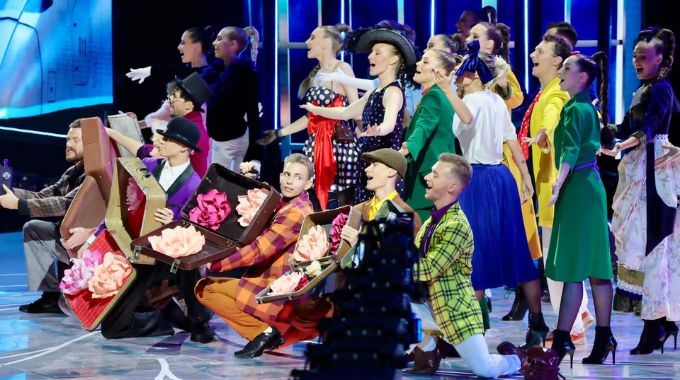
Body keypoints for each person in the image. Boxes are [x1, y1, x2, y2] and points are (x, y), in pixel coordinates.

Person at [433, 45, 549, 345]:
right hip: (502, 177)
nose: (457, 74)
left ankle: (469, 331)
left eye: (461, 70)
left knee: (474, 254)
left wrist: (448, 90)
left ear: (471, 73)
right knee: (516, 247)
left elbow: (468, 119)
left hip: (478, 180)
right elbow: (511, 141)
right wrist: (524, 178)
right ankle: (537, 321)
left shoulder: (470, 99)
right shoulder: (497, 101)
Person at [284, 148, 422, 346]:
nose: (367, 170)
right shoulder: (356, 211)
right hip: (347, 293)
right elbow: (332, 250)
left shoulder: (406, 214)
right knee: (300, 314)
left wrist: (364, 243)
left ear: (392, 172)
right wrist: (303, 259)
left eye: (374, 165)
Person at [408, 153, 528, 378]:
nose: (427, 178)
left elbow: (428, 269)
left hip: (456, 312)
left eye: (435, 174)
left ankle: (518, 359)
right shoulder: (431, 223)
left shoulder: (456, 225)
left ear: (452, 186)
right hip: (432, 307)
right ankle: (431, 346)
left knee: (486, 370)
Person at [100, 116, 215, 343]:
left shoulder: (195, 185)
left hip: (168, 259)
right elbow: (123, 205)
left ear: (183, 147)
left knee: (186, 264)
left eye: (168, 138)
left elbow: (197, 231)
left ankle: (198, 318)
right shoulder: (149, 167)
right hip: (138, 254)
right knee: (112, 328)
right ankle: (160, 318)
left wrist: (173, 221)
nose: (161, 140)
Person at [601, 26, 680, 355]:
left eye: (643, 56)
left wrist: (625, 144)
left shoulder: (661, 89)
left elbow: (648, 129)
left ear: (659, 58)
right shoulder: (643, 89)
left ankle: (656, 325)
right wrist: (605, 132)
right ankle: (661, 324)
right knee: (640, 248)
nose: (636, 61)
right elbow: (625, 127)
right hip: (638, 169)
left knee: (652, 249)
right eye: (634, 55)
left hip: (654, 172)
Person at [195, 153, 315, 358]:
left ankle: (263, 332)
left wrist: (219, 263)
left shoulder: (296, 213)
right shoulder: (291, 204)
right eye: (287, 174)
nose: (289, 181)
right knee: (206, 288)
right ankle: (264, 332)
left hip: (273, 287)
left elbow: (260, 249)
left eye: (297, 177)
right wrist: (251, 180)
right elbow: (271, 202)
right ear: (280, 175)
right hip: (267, 280)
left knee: (205, 289)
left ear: (308, 183)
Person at [543, 53, 616, 366]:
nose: (561, 72)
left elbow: (570, 150)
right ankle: (600, 337)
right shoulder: (587, 107)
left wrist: (558, 184)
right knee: (595, 267)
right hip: (588, 186)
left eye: (567, 68)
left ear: (583, 77)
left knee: (576, 268)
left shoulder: (575, 108)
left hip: (578, 188)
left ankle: (562, 341)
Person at [301, 26, 417, 203]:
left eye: (378, 53)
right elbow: (346, 112)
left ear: (394, 59)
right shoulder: (374, 92)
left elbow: (389, 123)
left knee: (382, 221)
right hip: (368, 165)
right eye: (371, 52)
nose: (370, 56)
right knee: (364, 218)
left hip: (384, 169)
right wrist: (316, 110)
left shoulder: (393, 92)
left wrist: (379, 130)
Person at [257, 25, 359, 210]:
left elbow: (357, 110)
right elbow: (311, 117)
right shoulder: (316, 75)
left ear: (326, 43)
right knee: (314, 200)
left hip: (339, 146)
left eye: (312, 37)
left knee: (342, 202)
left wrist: (365, 137)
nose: (306, 42)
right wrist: (278, 133)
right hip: (315, 145)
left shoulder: (343, 68)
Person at [0, 119, 86, 313]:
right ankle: (50, 296)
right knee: (34, 228)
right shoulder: (72, 172)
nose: (68, 145)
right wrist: (8, 193)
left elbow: (65, 204)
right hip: (69, 238)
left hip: (89, 243)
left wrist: (19, 205)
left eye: (74, 140)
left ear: (90, 143)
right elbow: (43, 196)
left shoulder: (95, 173)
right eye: (67, 140)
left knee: (38, 227)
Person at [107, 73, 213, 177]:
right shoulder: (188, 123)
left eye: (173, 97)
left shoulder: (189, 130)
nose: (169, 101)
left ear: (188, 106)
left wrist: (112, 132)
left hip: (185, 191)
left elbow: (151, 153)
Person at [399, 49, 457, 222]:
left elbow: (423, 127)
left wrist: (408, 147)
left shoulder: (434, 96)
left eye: (425, 62)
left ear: (439, 72)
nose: (417, 64)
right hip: (437, 176)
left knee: (423, 236)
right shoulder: (440, 95)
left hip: (427, 178)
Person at [127, 26, 215, 132]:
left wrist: (151, 70)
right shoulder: (183, 76)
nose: (178, 47)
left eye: (183, 43)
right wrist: (133, 125)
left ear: (196, 46)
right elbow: (163, 114)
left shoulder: (207, 78)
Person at [207, 26, 261, 171]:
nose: (214, 43)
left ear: (233, 44)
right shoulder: (215, 71)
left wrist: (255, 151)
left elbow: (252, 113)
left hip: (235, 141)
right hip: (217, 141)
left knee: (235, 185)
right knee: (215, 185)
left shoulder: (246, 74)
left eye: (219, 39)